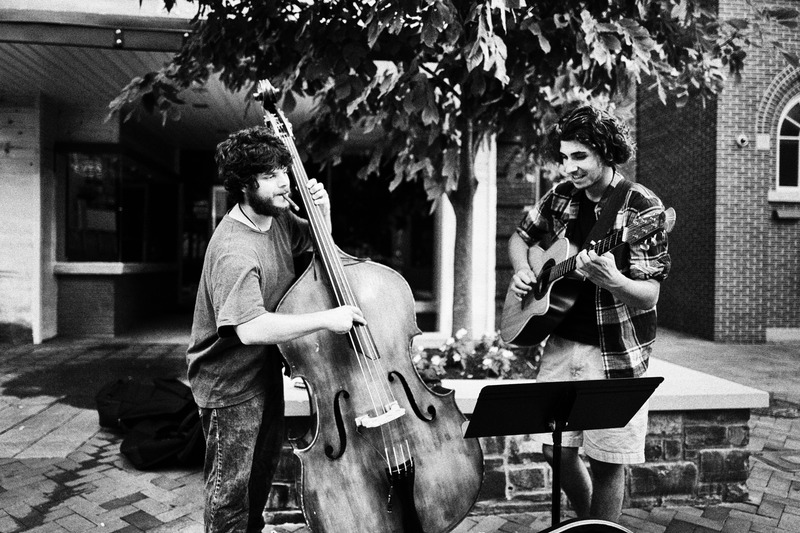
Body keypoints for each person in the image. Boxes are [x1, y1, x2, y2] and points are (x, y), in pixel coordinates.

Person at [186, 126, 366, 533]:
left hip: (263, 374)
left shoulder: (278, 217)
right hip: (229, 384)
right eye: (270, 175)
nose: (285, 181)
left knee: (260, 479)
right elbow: (249, 328)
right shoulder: (234, 249)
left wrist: (324, 214)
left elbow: (320, 245)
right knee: (229, 493)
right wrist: (326, 319)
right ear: (244, 187)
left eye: (284, 168)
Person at [507, 105, 671, 522]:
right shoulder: (561, 195)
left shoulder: (641, 208)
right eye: (564, 157)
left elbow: (649, 296)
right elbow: (520, 237)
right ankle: (585, 526)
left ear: (606, 151)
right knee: (554, 449)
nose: (569, 167)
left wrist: (613, 280)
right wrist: (526, 270)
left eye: (579, 156)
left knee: (606, 459)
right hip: (561, 341)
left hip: (613, 354)